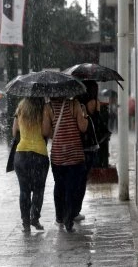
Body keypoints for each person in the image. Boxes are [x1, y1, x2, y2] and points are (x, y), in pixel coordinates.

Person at [49, 97, 88, 232]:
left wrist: (58, 134)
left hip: (57, 155)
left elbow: (47, 132)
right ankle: (69, 218)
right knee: (72, 187)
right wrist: (85, 114)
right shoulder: (74, 104)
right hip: (74, 154)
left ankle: (59, 216)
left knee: (59, 186)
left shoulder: (49, 106)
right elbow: (83, 128)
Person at [12, 97, 52, 233]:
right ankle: (35, 218)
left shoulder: (20, 107)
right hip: (39, 154)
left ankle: (26, 223)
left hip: (21, 154)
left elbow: (14, 131)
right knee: (38, 189)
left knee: (24, 190)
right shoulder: (44, 108)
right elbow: (46, 132)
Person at [74, 81, 101, 221]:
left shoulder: (76, 102)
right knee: (82, 180)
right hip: (89, 146)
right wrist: (97, 110)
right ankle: (76, 210)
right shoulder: (93, 103)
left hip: (77, 144)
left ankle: (69, 209)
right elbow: (97, 124)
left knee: (74, 179)